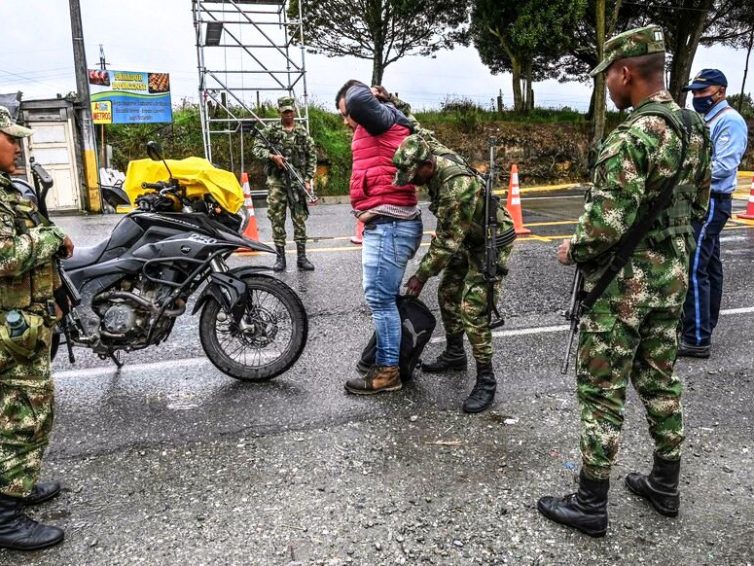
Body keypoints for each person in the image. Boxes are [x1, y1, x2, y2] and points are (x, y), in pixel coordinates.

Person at [537, 25, 711, 537]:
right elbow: (700, 203)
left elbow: (603, 227)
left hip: (622, 286)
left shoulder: (632, 136)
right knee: (660, 377)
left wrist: (574, 249)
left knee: (602, 390)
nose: (606, 87)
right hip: (672, 274)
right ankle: (665, 483)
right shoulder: (693, 128)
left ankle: (591, 502)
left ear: (625, 72)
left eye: (606, 77)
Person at [393, 135, 515, 413]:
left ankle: (486, 379)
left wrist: (420, 275)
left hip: (491, 242)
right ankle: (455, 353)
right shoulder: (433, 150)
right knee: (448, 291)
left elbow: (446, 242)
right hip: (469, 237)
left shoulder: (455, 188)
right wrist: (393, 102)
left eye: (414, 175)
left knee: (473, 308)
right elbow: (418, 129)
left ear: (427, 164)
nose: (412, 182)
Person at [0, 105, 74, 550]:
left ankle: (15, 487)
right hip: (9, 331)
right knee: (23, 416)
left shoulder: (7, 189)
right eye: (11, 137)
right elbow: (4, 256)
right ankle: (5, 517)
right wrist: (49, 238)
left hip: (22, 324)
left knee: (14, 411)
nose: (18, 144)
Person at [334, 80, 423, 395]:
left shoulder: (380, 116)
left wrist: (370, 93)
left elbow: (358, 98)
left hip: (391, 225)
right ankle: (389, 359)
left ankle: (388, 372)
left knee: (381, 300)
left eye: (346, 113)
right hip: (388, 224)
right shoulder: (382, 120)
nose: (346, 121)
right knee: (384, 298)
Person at [678, 69, 749, 358]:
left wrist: (683, 175)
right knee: (710, 265)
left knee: (695, 266)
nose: (697, 96)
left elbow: (724, 166)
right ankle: (703, 326)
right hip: (705, 199)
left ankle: (696, 338)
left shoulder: (730, 120)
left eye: (702, 92)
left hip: (712, 200)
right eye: (694, 92)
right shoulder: (709, 119)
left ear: (720, 91)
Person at [251, 96, 317, 272]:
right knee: (277, 218)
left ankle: (302, 258)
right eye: (284, 112)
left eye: (290, 111)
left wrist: (308, 179)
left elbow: (312, 156)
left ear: (294, 110)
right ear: (279, 112)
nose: (288, 115)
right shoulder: (270, 131)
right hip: (277, 181)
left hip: (297, 181)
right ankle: (280, 258)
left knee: (299, 218)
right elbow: (256, 148)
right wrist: (273, 157)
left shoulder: (302, 133)